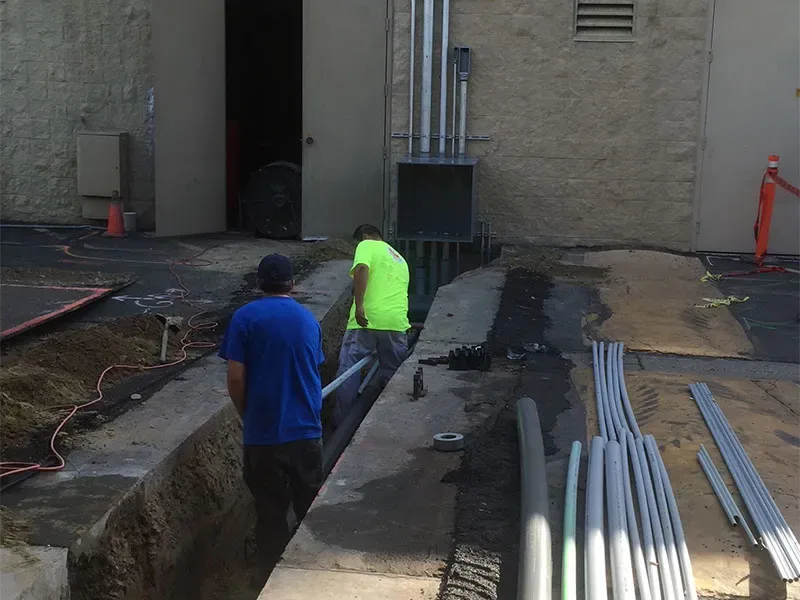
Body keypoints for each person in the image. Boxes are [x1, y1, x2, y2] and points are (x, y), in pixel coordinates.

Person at [218, 253, 325, 568]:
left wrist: (246, 415)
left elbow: (236, 378)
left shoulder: (244, 318)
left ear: (258, 283)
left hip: (263, 435)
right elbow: (312, 371)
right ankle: (310, 572)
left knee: (269, 511)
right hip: (306, 432)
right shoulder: (308, 320)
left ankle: (269, 575)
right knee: (310, 508)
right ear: (293, 284)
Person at [334, 224, 410, 426]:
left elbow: (361, 269)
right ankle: (391, 421)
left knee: (348, 372)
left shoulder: (367, 244)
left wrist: (359, 306)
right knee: (394, 375)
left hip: (365, 320)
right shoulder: (400, 258)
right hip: (395, 323)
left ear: (366, 236)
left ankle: (341, 424)